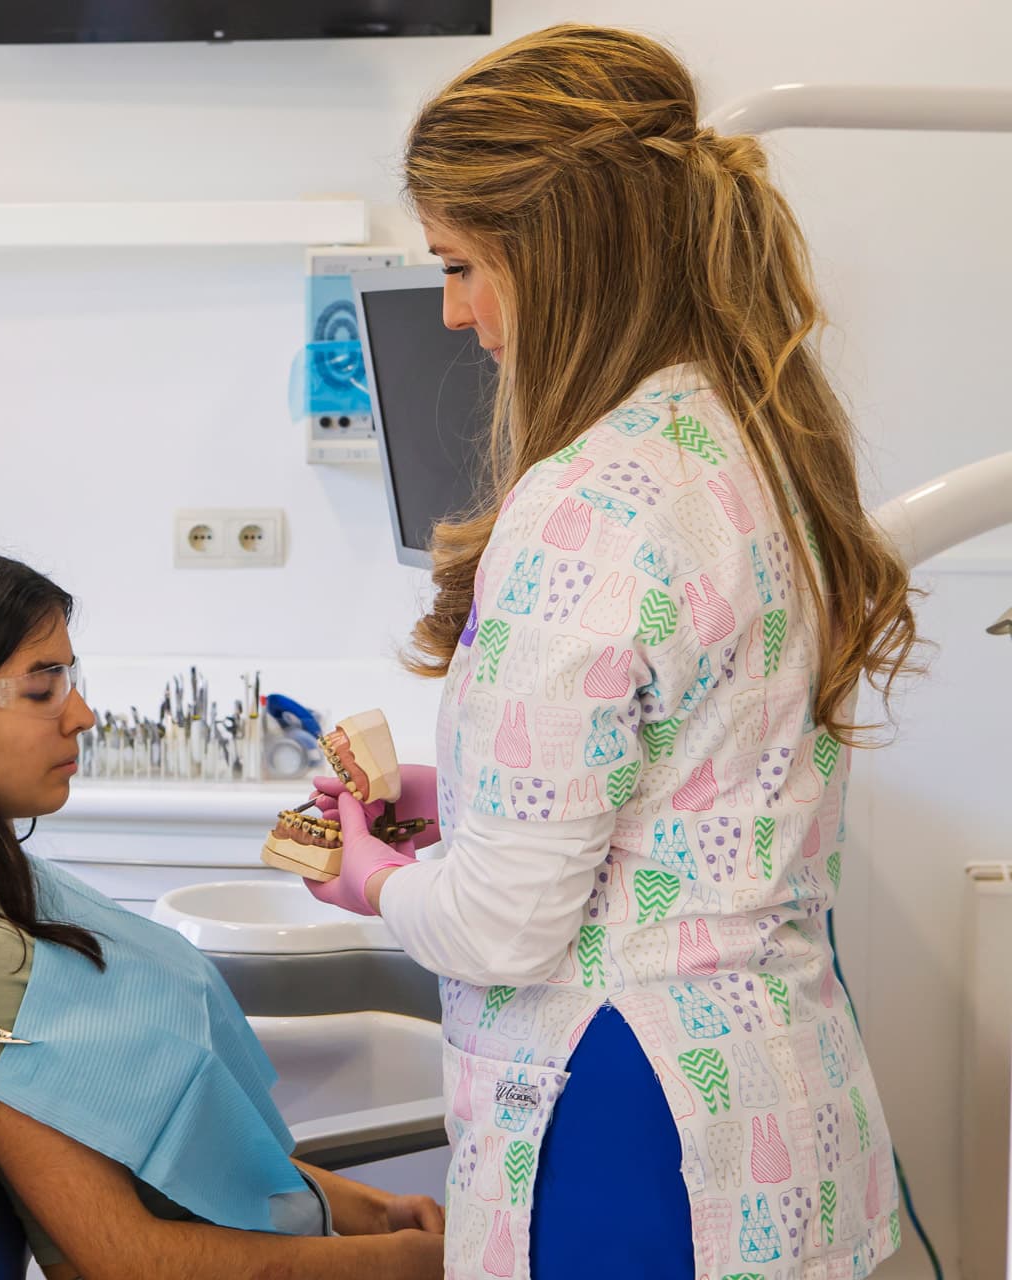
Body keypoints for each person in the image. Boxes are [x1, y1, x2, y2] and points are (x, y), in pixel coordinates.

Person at [299, 25, 922, 1280]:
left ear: (560, 251)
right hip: (777, 1112)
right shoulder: (756, 449)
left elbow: (500, 926)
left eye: (465, 264)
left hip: (623, 1125)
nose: (454, 310)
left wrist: (369, 876)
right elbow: (686, 785)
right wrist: (456, 802)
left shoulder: (586, 502)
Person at [0, 548, 446, 1280]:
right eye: (40, 689)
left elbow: (176, 1159)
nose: (82, 715)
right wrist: (398, 1263)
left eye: (71, 678)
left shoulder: (9, 887)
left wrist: (366, 1212)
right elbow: (127, 1258)